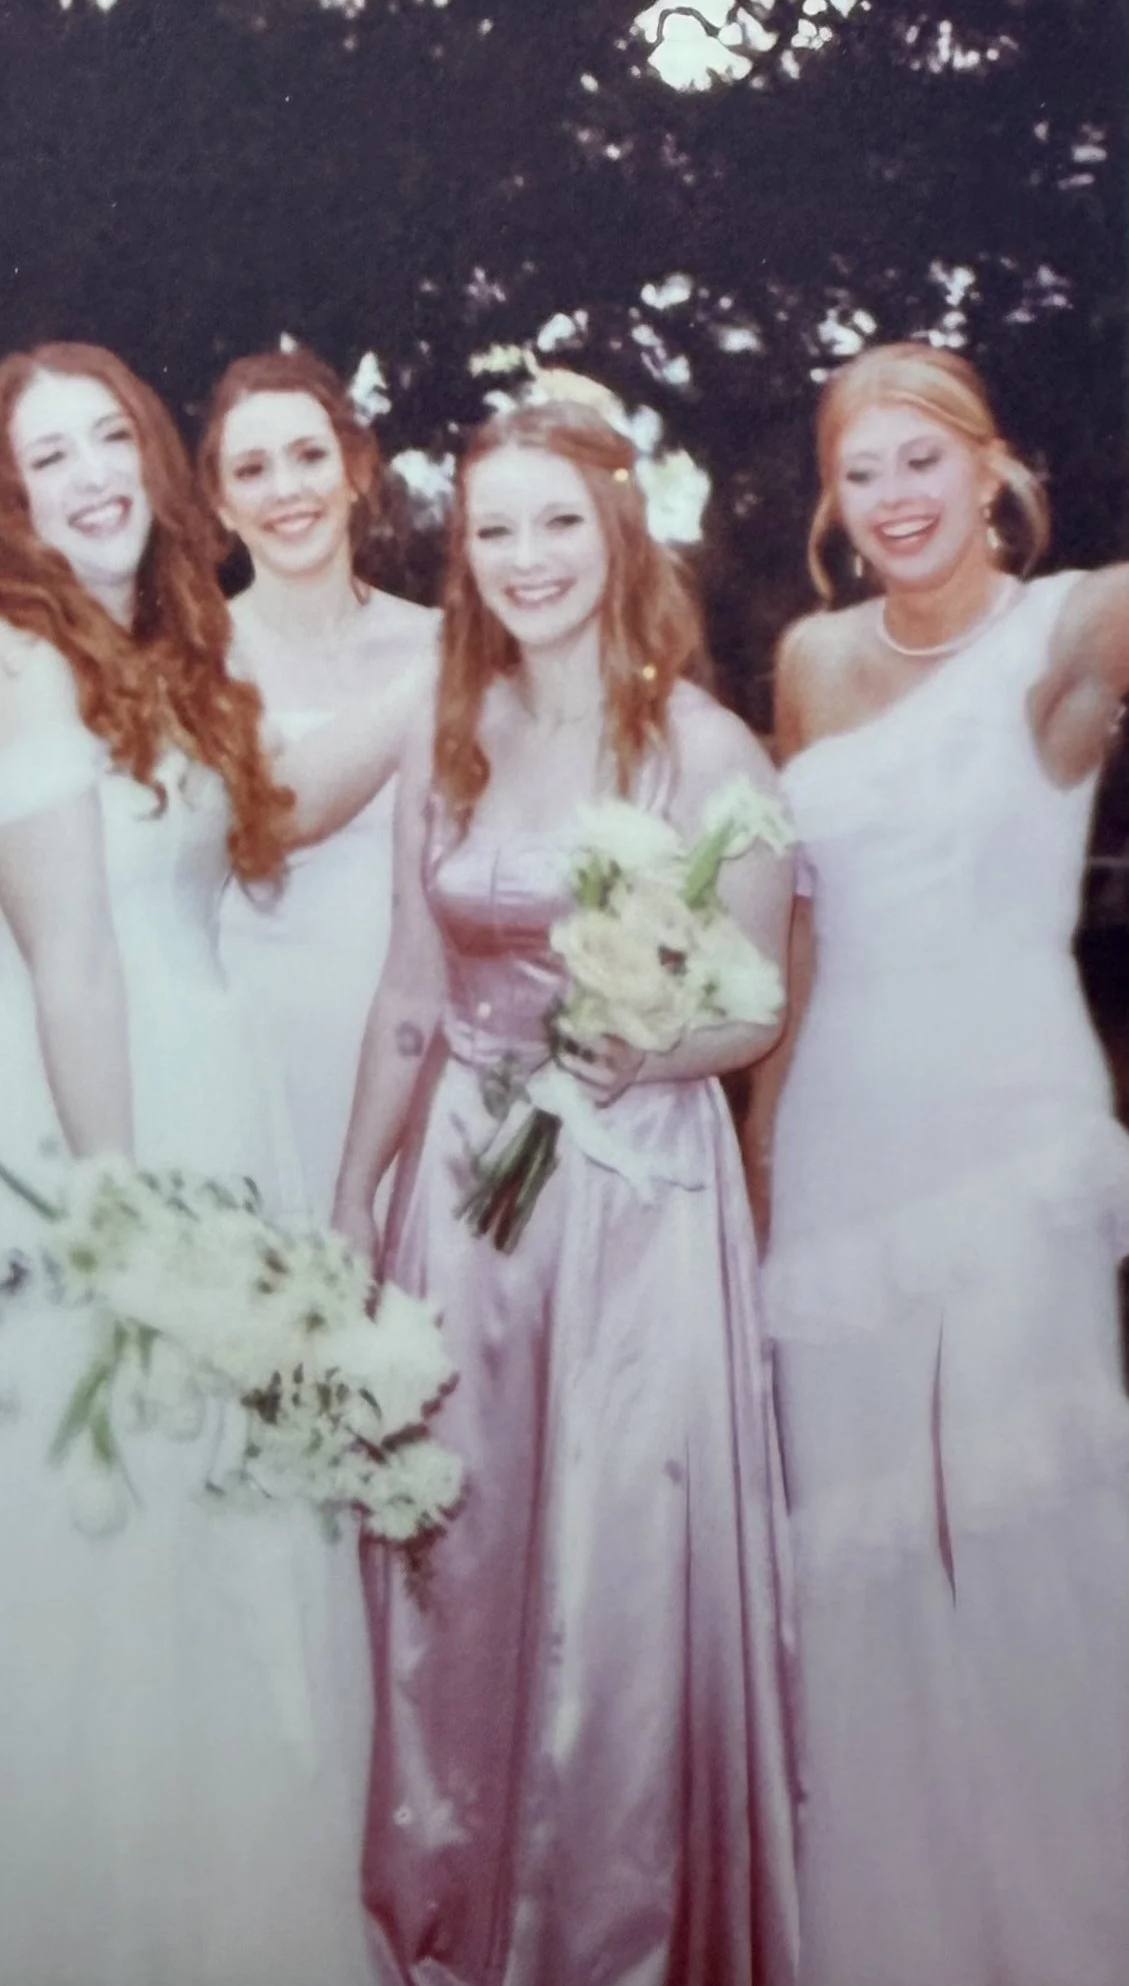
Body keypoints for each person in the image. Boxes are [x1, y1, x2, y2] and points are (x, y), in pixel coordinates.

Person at [0, 343, 418, 1986]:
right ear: (5, 504)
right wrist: (131, 1228)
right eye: (50, 457)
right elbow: (74, 961)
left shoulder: (152, 649)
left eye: (114, 437)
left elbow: (269, 810)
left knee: (211, 1545)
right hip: (74, 1135)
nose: (94, 471)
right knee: (93, 1541)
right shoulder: (16, 667)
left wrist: (443, 681)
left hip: (201, 1098)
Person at [333, 398, 798, 1986]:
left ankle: (605, 1939)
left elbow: (755, 1006)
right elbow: (409, 979)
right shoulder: (446, 733)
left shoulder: (704, 745)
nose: (527, 558)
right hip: (463, 1195)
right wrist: (353, 1197)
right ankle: (446, 1922)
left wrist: (636, 1035)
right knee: (450, 1565)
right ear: (462, 555)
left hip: (629, 1197)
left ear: (617, 532)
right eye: (493, 529)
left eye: (556, 523)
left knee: (608, 1584)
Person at [747, 340, 1129, 1986]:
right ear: (831, 504)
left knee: (1027, 1522)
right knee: (860, 1536)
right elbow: (805, 938)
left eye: (923, 461)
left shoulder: (1064, 633)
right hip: (839, 1130)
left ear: (992, 472)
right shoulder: (807, 663)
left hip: (1008, 1130)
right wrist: (761, 1155)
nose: (893, 497)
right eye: (859, 471)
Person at [203, 346, 436, 1216]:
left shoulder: (436, 638)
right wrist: (430, 679)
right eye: (251, 470)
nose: (286, 489)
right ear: (221, 505)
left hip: (412, 1043)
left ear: (354, 470)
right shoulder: (192, 662)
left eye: (308, 456)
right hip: (251, 1048)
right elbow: (272, 813)